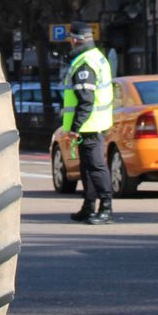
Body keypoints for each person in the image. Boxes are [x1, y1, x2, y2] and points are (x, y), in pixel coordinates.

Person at [61, 23, 115, 224]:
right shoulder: (96, 57)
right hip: (91, 124)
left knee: (96, 167)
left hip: (89, 125)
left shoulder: (85, 63)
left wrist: (75, 128)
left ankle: (106, 208)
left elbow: (86, 99)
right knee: (87, 168)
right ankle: (89, 206)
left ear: (75, 40)